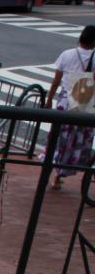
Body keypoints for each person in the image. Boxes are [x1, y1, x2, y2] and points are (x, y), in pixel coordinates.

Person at [45, 25, 95, 190]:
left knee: (58, 139)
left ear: (80, 37)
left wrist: (49, 99)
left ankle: (47, 170)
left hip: (65, 103)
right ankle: (59, 176)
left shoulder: (66, 54)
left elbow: (56, 81)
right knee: (75, 142)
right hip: (85, 105)